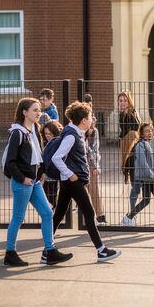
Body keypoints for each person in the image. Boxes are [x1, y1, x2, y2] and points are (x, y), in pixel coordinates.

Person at [49, 101, 120, 262]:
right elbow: (56, 157)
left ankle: (48, 248)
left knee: (59, 213)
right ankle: (101, 250)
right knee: (89, 213)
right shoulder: (72, 136)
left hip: (68, 182)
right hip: (73, 181)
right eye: (90, 117)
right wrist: (70, 174)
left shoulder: (74, 132)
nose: (92, 119)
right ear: (83, 121)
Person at [2, 98, 70, 267]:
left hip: (34, 182)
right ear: (24, 112)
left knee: (47, 213)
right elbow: (10, 162)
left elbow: (37, 157)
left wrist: (41, 173)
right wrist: (22, 178)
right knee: (18, 218)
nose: (38, 113)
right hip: (22, 183)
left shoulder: (34, 130)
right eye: (35, 110)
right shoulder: (17, 132)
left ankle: (50, 251)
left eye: (39, 110)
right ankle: (10, 253)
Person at [122, 121, 154, 227]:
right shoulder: (140, 145)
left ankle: (128, 217)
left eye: (151, 130)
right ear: (141, 133)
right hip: (147, 177)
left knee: (146, 200)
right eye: (147, 131)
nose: (150, 133)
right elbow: (143, 164)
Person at [80, 93, 105, 225]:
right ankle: (85, 219)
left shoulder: (93, 132)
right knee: (81, 194)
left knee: (94, 191)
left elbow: (94, 151)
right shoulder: (79, 131)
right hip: (80, 165)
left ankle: (100, 216)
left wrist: (95, 166)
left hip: (90, 165)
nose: (92, 120)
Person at [38, 120, 63, 211]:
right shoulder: (43, 144)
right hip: (46, 176)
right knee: (46, 199)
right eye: (46, 133)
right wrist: (43, 173)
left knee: (53, 198)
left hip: (56, 175)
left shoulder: (59, 143)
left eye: (50, 134)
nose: (47, 136)